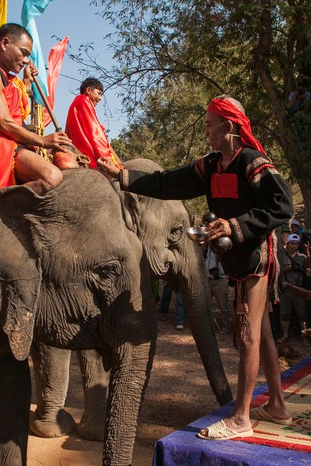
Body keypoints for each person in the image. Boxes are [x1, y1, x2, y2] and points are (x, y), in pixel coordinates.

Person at [97, 95, 294, 440]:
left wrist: (234, 225)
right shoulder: (211, 165)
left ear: (228, 126)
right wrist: (124, 176)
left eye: (209, 124)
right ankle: (277, 404)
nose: (206, 131)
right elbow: (168, 182)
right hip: (235, 255)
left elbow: (283, 205)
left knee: (247, 331)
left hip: (256, 257)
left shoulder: (254, 163)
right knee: (260, 330)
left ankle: (241, 418)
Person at [0, 23, 72, 232]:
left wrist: (26, 82)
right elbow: (3, 121)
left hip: (9, 141)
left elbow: (18, 111)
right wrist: (44, 141)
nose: (26, 59)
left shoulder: (7, 79)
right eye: (23, 52)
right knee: (51, 177)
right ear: (5, 43)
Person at [64, 78, 122, 171]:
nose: (100, 98)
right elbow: (95, 134)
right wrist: (108, 159)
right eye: (99, 93)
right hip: (88, 158)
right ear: (88, 90)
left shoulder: (77, 103)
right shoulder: (83, 100)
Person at [278, 233, 309, 343]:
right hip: (285, 289)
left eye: (296, 244)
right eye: (292, 243)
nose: (294, 246)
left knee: (302, 315)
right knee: (284, 314)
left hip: (299, 289)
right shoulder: (281, 257)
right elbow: (276, 272)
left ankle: (305, 337)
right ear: (287, 244)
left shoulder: (302, 258)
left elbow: (308, 271)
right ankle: (285, 335)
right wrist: (284, 269)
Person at [203, 242, 232, 335]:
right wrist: (205, 242)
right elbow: (198, 252)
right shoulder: (206, 247)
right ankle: (208, 326)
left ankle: (225, 327)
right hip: (207, 278)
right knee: (205, 305)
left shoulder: (222, 246)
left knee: (223, 306)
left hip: (220, 279)